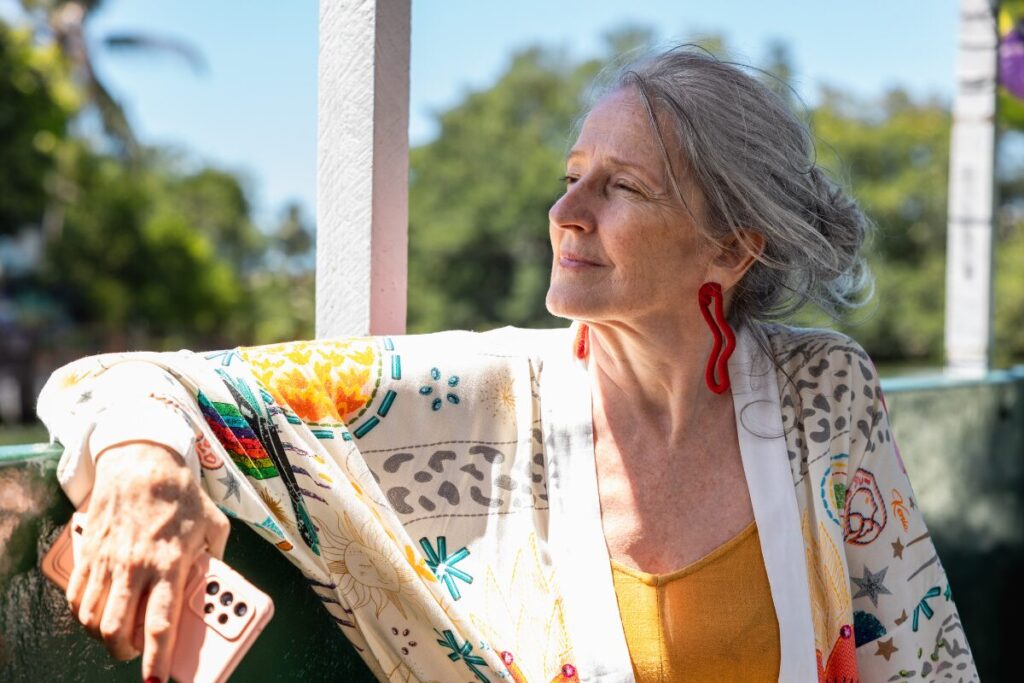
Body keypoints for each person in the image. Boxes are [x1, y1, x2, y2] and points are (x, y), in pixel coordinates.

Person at [38, 47, 977, 683]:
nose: (568, 211)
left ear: (732, 249)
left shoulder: (824, 393)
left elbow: (924, 652)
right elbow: (129, 382)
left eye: (623, 187)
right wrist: (143, 467)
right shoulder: (470, 397)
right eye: (572, 174)